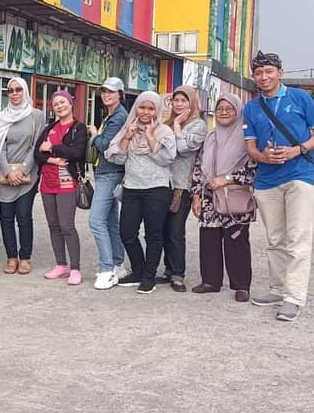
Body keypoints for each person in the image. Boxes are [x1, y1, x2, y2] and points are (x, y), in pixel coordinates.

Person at [243, 51, 314, 322]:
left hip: (299, 175)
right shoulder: (252, 107)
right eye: (258, 73)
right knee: (275, 239)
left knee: (298, 239)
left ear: (280, 72)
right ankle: (277, 288)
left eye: (269, 71)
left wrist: (297, 150)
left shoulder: (299, 98)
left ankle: (294, 298)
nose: (264, 77)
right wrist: (263, 156)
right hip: (267, 180)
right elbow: (250, 148)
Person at [105, 91, 177, 294]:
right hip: (132, 188)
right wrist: (127, 137)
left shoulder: (164, 131)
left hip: (157, 189)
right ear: (136, 107)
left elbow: (167, 158)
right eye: (142, 107)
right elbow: (114, 157)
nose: (146, 112)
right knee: (126, 232)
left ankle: (148, 276)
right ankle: (138, 269)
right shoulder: (128, 128)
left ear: (158, 110)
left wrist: (149, 136)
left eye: (151, 108)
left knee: (153, 234)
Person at [190, 93, 258, 302]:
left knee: (236, 241)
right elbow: (199, 167)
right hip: (210, 196)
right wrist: (196, 195)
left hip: (234, 196)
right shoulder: (211, 137)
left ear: (238, 111)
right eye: (220, 109)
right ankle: (211, 280)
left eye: (229, 108)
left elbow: (254, 168)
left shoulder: (248, 138)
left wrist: (227, 179)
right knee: (208, 239)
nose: (224, 112)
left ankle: (241, 285)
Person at [0, 78, 47, 275]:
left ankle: (25, 257)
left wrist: (22, 171)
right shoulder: (1, 117)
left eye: (18, 90)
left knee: (23, 216)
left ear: (25, 91)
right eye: (10, 90)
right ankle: (11, 257)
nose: (14, 93)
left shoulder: (36, 116)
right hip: (4, 174)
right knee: (5, 217)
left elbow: (36, 145)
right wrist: (8, 171)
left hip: (28, 175)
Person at [34, 90, 88, 285]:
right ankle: (61, 265)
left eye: (62, 102)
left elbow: (76, 152)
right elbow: (36, 154)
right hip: (47, 183)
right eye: (55, 103)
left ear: (70, 103)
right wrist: (54, 160)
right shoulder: (49, 128)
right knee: (53, 225)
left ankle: (75, 268)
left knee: (67, 225)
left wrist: (51, 148)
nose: (59, 106)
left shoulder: (78, 128)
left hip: (68, 183)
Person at [157, 85, 207, 292]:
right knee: (162, 228)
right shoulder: (166, 123)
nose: (179, 104)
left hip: (181, 186)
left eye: (183, 101)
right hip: (163, 183)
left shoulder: (198, 125)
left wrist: (177, 127)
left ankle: (178, 273)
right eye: (175, 101)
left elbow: (184, 148)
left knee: (175, 230)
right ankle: (169, 269)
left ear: (192, 102)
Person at [88, 77, 129, 290]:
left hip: (109, 173)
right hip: (107, 172)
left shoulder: (118, 117)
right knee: (111, 221)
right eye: (104, 91)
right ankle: (117, 263)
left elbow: (106, 145)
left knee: (95, 221)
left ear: (120, 94)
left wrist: (95, 135)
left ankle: (107, 269)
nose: (106, 95)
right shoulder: (112, 115)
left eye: (111, 92)